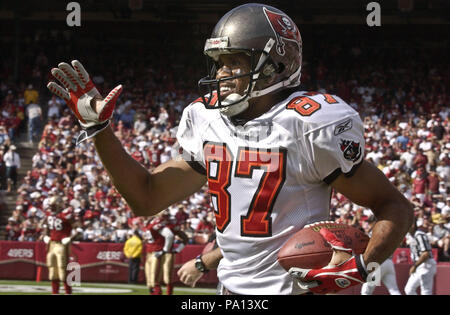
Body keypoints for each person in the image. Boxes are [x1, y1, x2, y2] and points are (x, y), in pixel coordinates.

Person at [47, 3, 413, 295]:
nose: (221, 74)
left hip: (295, 289)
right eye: (219, 63)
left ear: (276, 65)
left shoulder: (310, 122)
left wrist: (363, 265)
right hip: (229, 289)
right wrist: (99, 129)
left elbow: (394, 205)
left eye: (234, 62)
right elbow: (146, 198)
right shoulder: (206, 119)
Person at [42, 196, 78, 295]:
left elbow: (78, 228)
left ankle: (68, 292)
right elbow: (46, 227)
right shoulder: (49, 215)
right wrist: (45, 236)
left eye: (53, 206)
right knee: (52, 270)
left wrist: (69, 238)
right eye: (50, 206)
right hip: (52, 244)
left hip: (62, 245)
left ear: (59, 205)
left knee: (63, 270)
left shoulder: (66, 215)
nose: (51, 208)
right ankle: (55, 293)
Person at [360, 216, 401, 295]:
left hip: (377, 262)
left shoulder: (374, 231)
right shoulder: (388, 231)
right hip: (389, 262)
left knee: (366, 291)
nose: (369, 224)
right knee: (394, 290)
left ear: (376, 222)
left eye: (370, 222)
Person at [404, 221, 437, 295]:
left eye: (411, 223)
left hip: (426, 264)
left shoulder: (419, 235)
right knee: (408, 289)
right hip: (419, 264)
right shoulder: (409, 235)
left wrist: (415, 266)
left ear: (414, 224)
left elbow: (426, 254)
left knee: (425, 291)